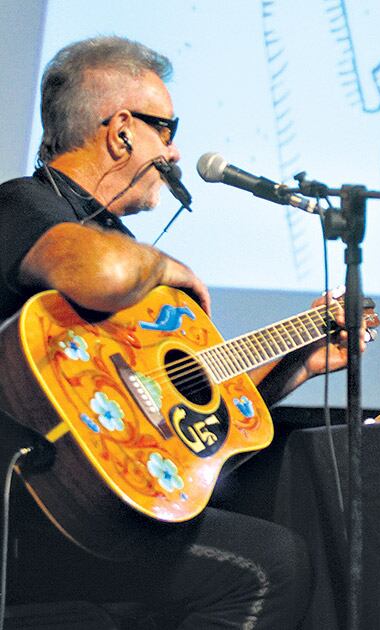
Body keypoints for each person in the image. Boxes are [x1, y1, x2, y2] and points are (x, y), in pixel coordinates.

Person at [0, 36, 361, 628]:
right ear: (120, 131)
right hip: (33, 517)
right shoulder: (26, 206)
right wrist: (168, 267)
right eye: (165, 129)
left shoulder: (120, 249)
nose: (174, 150)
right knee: (273, 565)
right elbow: (104, 270)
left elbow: (189, 427)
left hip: (99, 510)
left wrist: (300, 362)